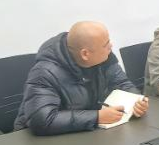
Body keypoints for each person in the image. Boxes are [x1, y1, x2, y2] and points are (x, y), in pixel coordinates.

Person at [14, 22, 149, 135]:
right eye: (106, 44)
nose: (111, 46)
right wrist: (97, 117)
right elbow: (43, 120)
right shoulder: (45, 73)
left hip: (84, 133)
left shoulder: (103, 57)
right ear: (85, 54)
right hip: (36, 144)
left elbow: (122, 83)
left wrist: (137, 102)